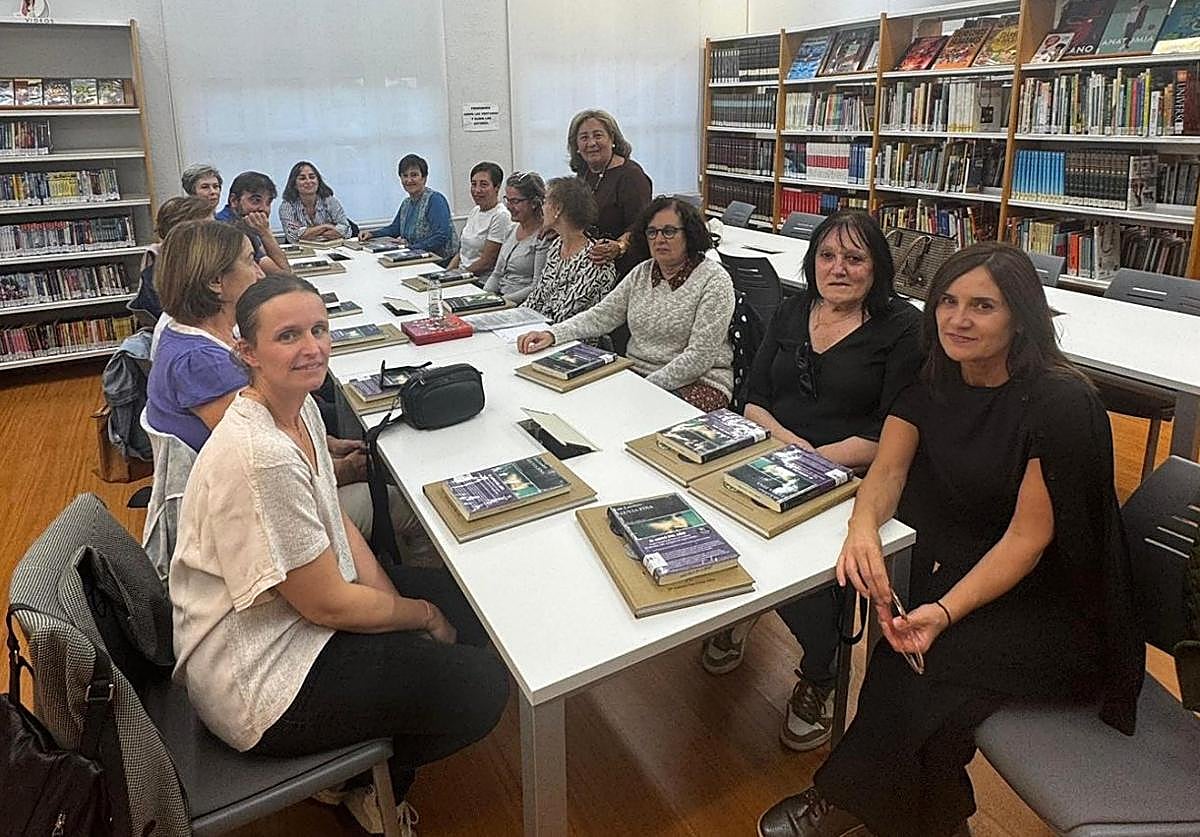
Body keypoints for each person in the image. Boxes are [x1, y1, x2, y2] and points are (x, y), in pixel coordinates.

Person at [756, 242, 1142, 837]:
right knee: (907, 662)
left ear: (1020, 316)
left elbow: (1026, 540)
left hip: (1059, 608)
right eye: (949, 302)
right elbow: (887, 472)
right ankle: (934, 821)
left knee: (917, 665)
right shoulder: (933, 380)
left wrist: (941, 609)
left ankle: (843, 801)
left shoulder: (1059, 402)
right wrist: (862, 530)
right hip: (975, 580)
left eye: (983, 306)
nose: (959, 320)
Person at [170, 274, 508, 834]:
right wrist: (421, 617)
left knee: (472, 606)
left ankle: (373, 743)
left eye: (319, 329)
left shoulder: (298, 409)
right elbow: (325, 606)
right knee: (482, 687)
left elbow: (338, 527)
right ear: (246, 351)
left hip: (293, 624)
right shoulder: (262, 455)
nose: (313, 347)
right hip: (261, 678)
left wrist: (394, 602)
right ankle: (366, 788)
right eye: (289, 336)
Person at [700, 210, 923, 752]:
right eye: (828, 256)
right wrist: (783, 441)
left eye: (855, 258)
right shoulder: (795, 308)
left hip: (853, 471)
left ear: (878, 267)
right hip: (773, 450)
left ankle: (820, 674)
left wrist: (818, 459)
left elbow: (893, 428)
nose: (839, 268)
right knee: (713, 518)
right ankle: (745, 607)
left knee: (808, 564)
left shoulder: (902, 328)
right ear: (812, 260)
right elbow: (752, 395)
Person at [146, 220, 402, 544]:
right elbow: (264, 461)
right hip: (247, 521)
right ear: (215, 282)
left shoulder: (203, 335)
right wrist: (347, 470)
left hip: (249, 496)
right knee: (402, 505)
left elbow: (276, 427)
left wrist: (331, 446)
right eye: (249, 260)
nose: (260, 272)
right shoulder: (200, 363)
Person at [519, 196, 735, 410]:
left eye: (669, 231)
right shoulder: (643, 272)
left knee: (633, 417)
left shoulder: (714, 280)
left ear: (689, 234)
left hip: (699, 383)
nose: (659, 239)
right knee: (573, 404)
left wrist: (642, 388)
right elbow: (601, 315)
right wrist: (553, 334)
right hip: (636, 373)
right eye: (652, 232)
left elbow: (699, 358)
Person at [567, 108, 653, 278]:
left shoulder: (631, 176)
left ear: (612, 139)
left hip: (621, 267)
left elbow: (642, 225)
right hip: (587, 263)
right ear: (576, 146)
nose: (591, 143)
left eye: (598, 135)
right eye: (584, 138)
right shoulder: (584, 172)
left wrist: (619, 246)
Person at [521, 177, 615, 324]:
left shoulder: (596, 259)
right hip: (540, 330)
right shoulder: (556, 246)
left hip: (571, 339)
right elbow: (536, 298)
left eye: (545, 202)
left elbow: (564, 314)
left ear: (558, 208)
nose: (542, 208)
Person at [129, 195, 212, 324]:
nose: (218, 236)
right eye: (209, 231)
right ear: (183, 237)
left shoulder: (218, 267)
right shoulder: (156, 279)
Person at [359, 154, 458, 260]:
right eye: (405, 176)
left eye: (414, 175)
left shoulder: (435, 200)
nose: (409, 180)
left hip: (440, 261)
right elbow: (394, 229)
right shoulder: (406, 203)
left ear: (424, 178)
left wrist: (410, 248)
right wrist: (371, 234)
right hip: (415, 256)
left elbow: (441, 236)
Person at [482, 170, 550, 305]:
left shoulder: (543, 237)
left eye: (515, 201)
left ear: (534, 203)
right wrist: (483, 298)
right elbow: (496, 274)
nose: (509, 206)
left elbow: (536, 286)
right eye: (507, 200)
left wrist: (500, 302)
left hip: (519, 303)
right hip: (499, 298)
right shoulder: (511, 229)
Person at [214, 170, 288, 273]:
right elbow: (285, 276)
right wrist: (265, 233)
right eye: (256, 200)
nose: (264, 209)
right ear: (234, 200)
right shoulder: (228, 230)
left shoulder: (246, 224)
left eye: (268, 202)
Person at [448, 161, 510, 276]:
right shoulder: (475, 211)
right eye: (473, 184)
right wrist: (445, 274)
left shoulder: (501, 215)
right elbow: (461, 253)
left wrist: (457, 276)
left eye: (483, 185)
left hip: (479, 279)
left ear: (497, 187)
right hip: (462, 275)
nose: (477, 190)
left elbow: (487, 262)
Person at [278, 160, 350, 244]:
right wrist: (325, 226)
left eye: (312, 177)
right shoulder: (287, 206)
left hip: (331, 248)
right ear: (294, 184)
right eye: (302, 178)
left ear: (318, 181)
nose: (308, 181)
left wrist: (308, 234)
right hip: (304, 252)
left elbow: (347, 230)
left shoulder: (330, 201)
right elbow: (293, 237)